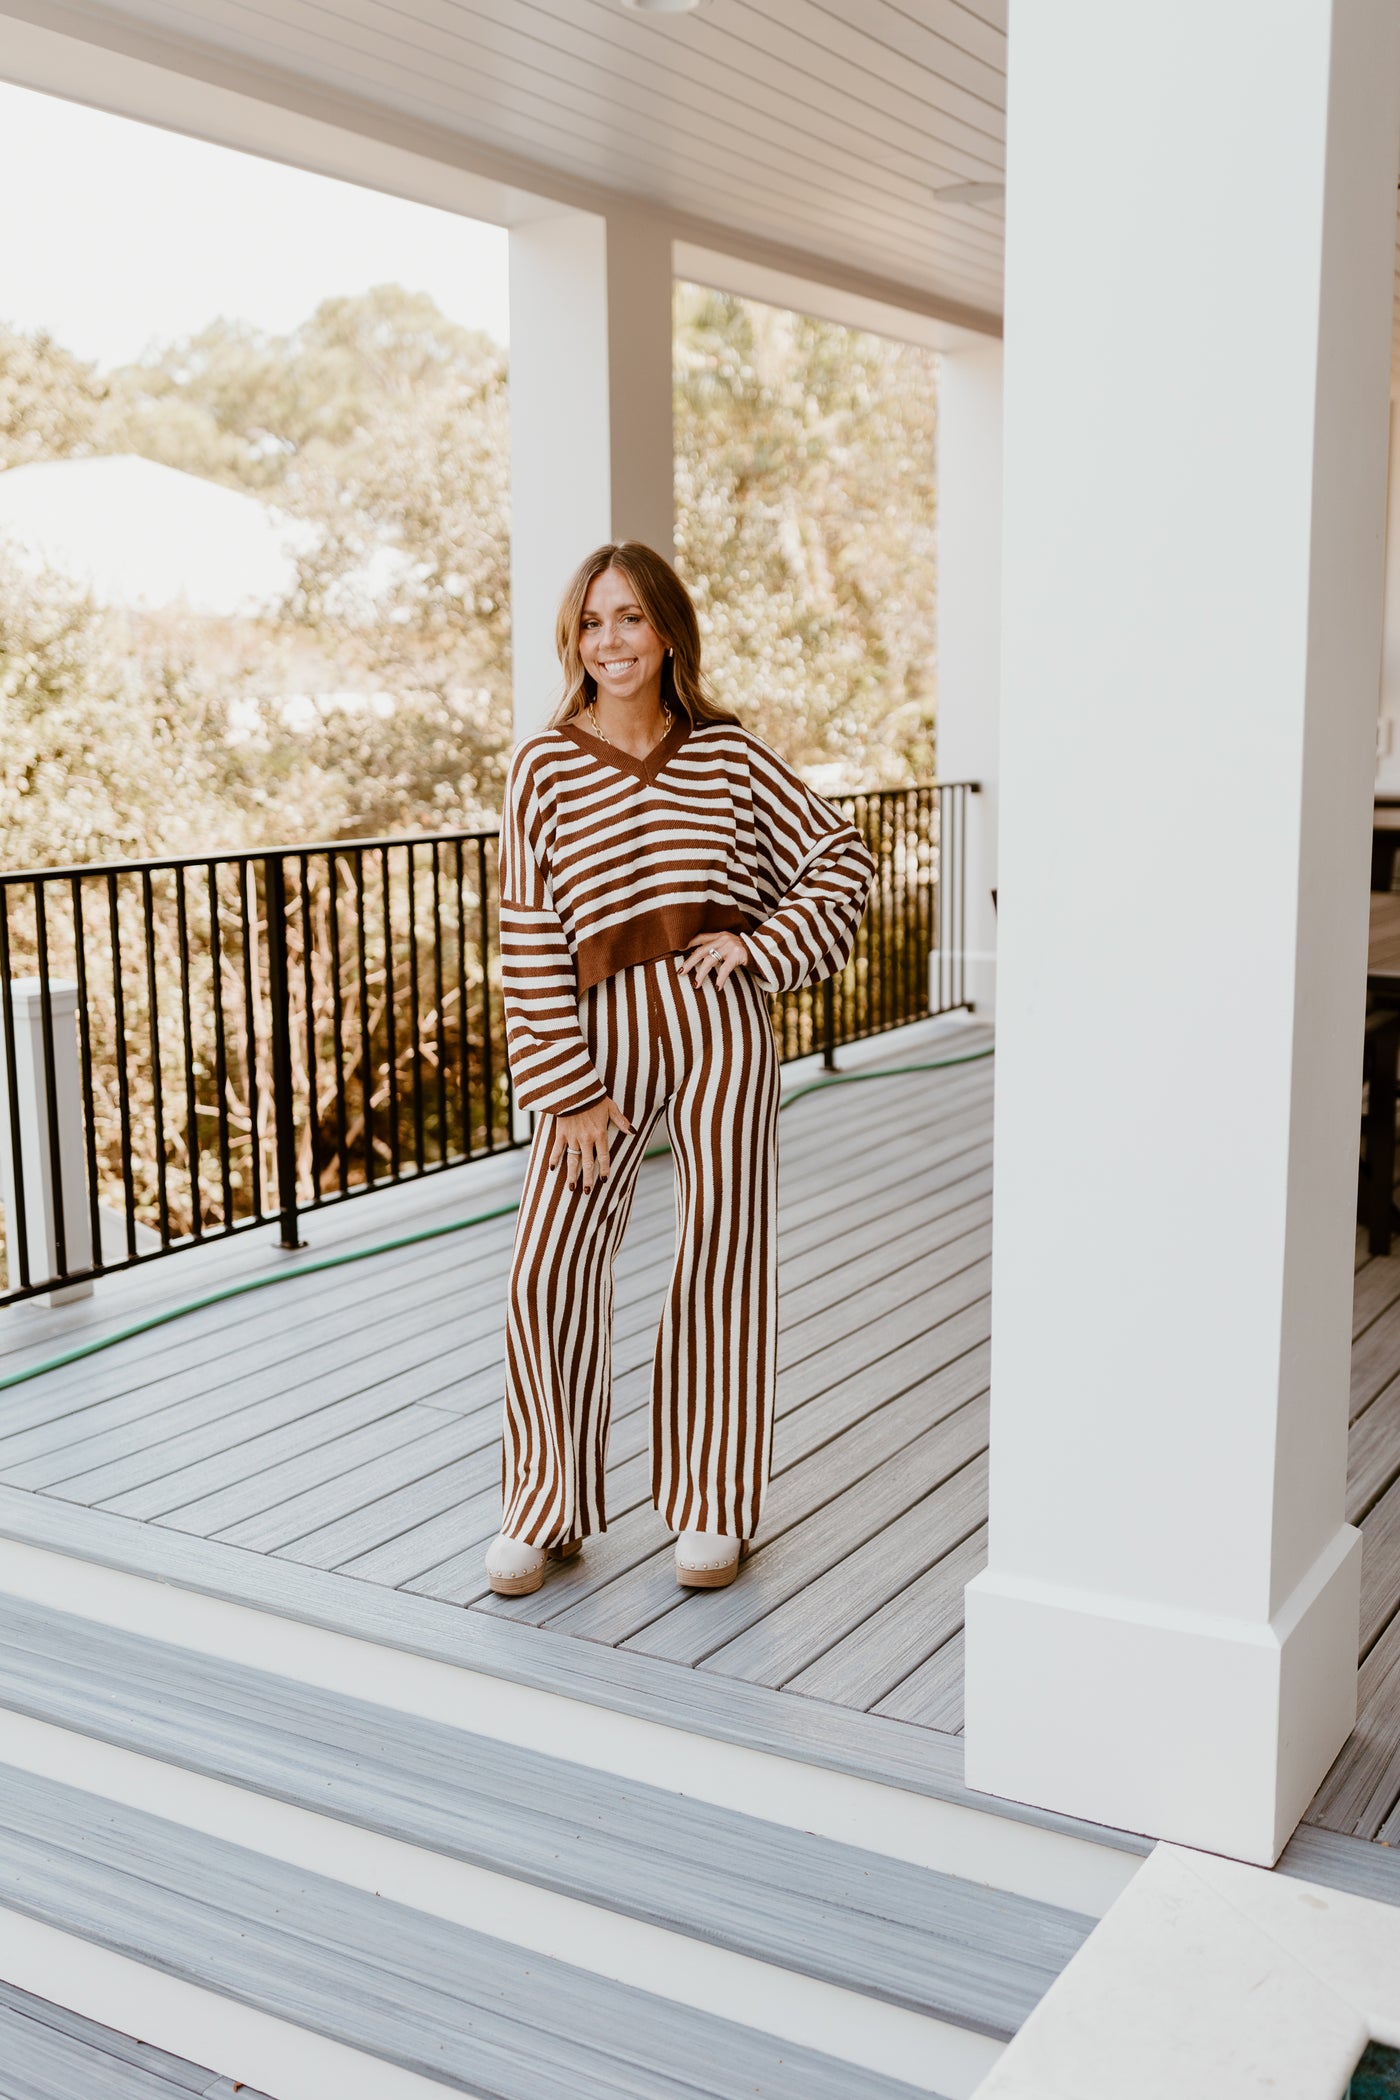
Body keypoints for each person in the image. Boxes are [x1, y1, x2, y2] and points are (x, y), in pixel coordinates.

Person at [485, 541, 874, 1599]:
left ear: (666, 633)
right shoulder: (544, 765)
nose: (610, 641)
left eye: (630, 620)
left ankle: (708, 1506)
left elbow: (840, 855)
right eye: (592, 623)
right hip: (598, 1039)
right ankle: (543, 1502)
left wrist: (763, 944)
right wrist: (564, 1090)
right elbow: (525, 932)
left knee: (721, 1258)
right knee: (545, 1269)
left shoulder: (729, 756)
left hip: (717, 1025)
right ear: (573, 640)